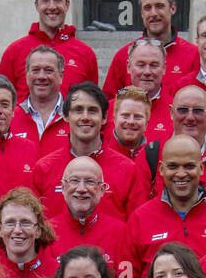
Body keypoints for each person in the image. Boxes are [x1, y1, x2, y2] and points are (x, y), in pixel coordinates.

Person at [31, 82, 144, 221]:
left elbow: (136, 227)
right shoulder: (44, 168)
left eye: (92, 110)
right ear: (65, 116)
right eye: (78, 110)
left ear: (104, 118)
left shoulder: (127, 170)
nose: (85, 117)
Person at [126, 136, 206, 278]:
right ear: (161, 169)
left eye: (188, 166)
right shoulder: (140, 219)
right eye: (173, 166)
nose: (181, 174)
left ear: (201, 168)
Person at [0, 0, 98, 103]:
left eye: (57, 0)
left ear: (67, 5)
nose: (52, 7)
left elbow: (92, 102)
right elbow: (0, 99)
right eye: (45, 0)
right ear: (36, 5)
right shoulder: (14, 52)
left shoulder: (85, 54)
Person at [146, 84, 206, 204]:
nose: (190, 117)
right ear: (171, 112)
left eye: (198, 111)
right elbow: (139, 211)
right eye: (182, 110)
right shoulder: (150, 155)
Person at [102, 0, 200, 99]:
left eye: (159, 6)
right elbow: (110, 102)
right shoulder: (123, 56)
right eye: (147, 8)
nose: (153, 13)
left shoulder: (193, 55)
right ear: (141, 13)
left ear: (172, 8)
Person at [49, 157, 129, 278]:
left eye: (90, 182)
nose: (81, 189)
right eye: (74, 180)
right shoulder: (47, 232)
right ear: (63, 187)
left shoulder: (120, 232)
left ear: (102, 190)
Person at [9, 46, 72, 155]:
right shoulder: (10, 118)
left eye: (48, 70)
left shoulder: (74, 117)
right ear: (27, 75)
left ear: (61, 76)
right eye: (36, 70)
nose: (41, 76)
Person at [115, 39, 175, 143]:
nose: (147, 72)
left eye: (154, 65)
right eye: (141, 65)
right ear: (128, 67)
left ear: (164, 68)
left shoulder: (176, 112)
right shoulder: (109, 109)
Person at [104, 85, 151, 162]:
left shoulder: (153, 158)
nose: (131, 122)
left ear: (146, 123)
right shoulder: (100, 156)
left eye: (137, 117)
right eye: (125, 115)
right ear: (114, 119)